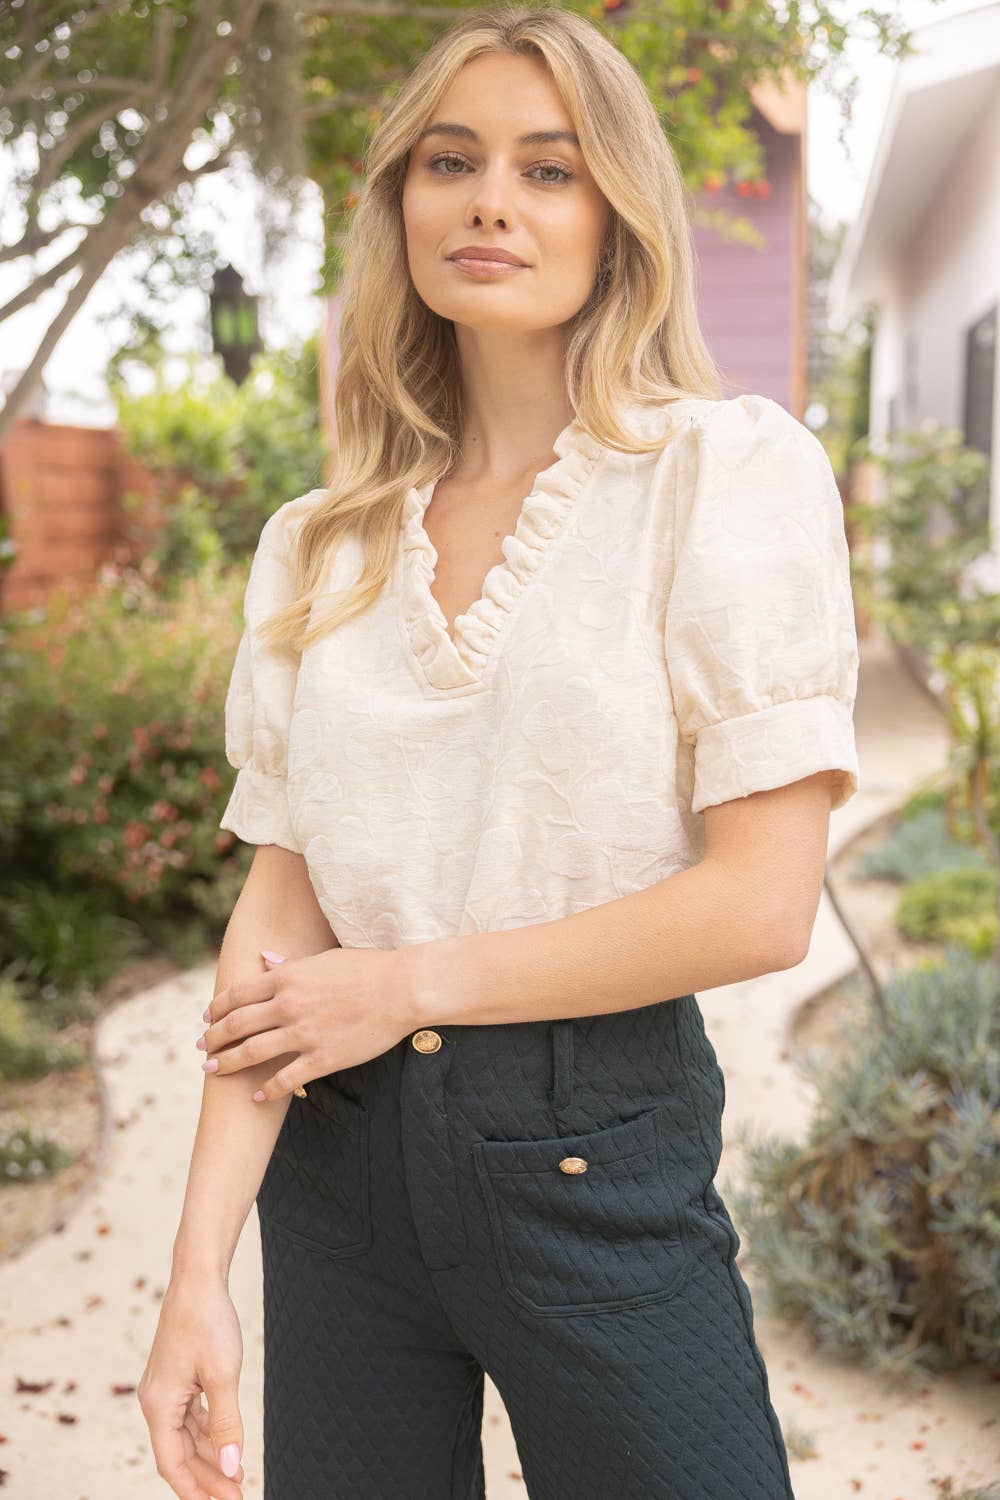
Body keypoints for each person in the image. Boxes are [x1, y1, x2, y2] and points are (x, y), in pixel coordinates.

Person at [138, 6, 861, 1498]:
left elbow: (760, 906)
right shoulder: (320, 546)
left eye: (548, 168)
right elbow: (282, 914)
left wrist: (410, 984)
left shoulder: (719, 477)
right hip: (337, 1182)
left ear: (616, 216)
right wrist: (197, 1271)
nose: (489, 202)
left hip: (592, 1158)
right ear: (400, 201)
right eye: (450, 160)